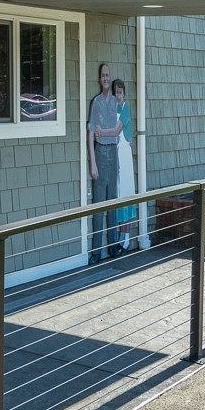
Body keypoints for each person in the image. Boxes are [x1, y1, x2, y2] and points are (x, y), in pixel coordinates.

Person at [87, 63, 122, 262]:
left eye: (108, 75)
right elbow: (91, 132)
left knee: (113, 202)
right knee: (99, 205)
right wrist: (93, 162)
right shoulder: (97, 102)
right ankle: (96, 251)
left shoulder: (117, 102)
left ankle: (113, 246)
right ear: (99, 79)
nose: (106, 78)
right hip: (100, 152)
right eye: (103, 75)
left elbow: (119, 128)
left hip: (113, 152)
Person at [113, 79, 137, 251]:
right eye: (115, 93)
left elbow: (117, 129)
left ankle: (126, 235)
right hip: (114, 154)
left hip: (124, 153)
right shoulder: (111, 108)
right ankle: (119, 235)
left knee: (126, 191)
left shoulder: (125, 110)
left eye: (120, 93)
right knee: (118, 192)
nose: (118, 96)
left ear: (124, 94)